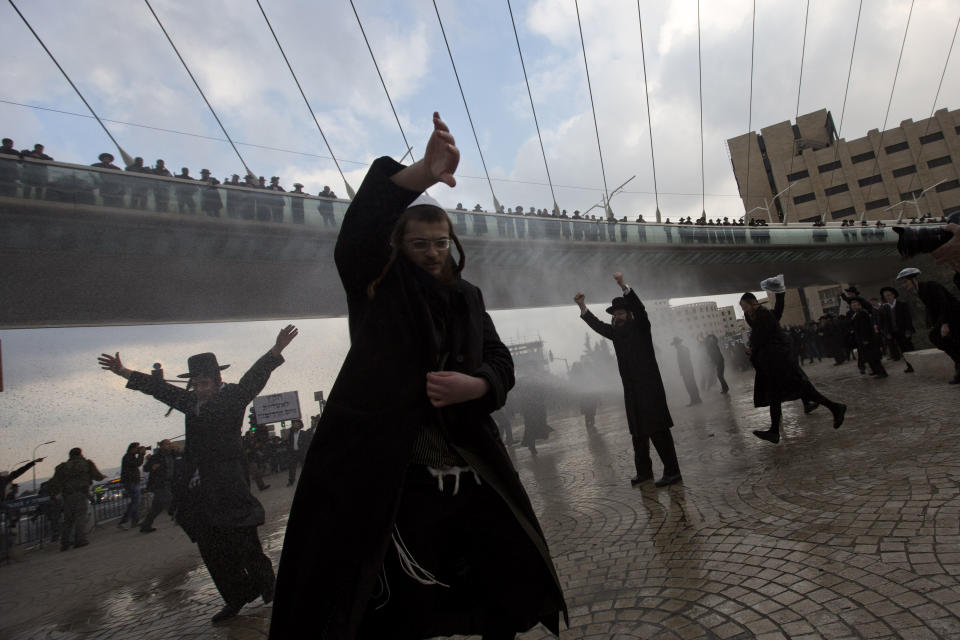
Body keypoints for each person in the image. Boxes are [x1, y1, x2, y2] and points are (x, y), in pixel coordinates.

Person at [269, 113, 566, 640]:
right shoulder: (378, 288)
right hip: (395, 477)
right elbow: (356, 238)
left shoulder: (469, 299)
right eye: (419, 244)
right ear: (400, 247)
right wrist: (420, 175)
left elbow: (500, 362)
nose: (431, 254)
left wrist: (475, 386)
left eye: (439, 243)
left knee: (498, 585)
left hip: (471, 466)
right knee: (397, 605)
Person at [97, 324, 298, 623]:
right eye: (197, 384)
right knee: (210, 546)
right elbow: (161, 389)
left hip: (230, 484)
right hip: (200, 491)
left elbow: (254, 378)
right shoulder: (191, 403)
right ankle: (236, 595)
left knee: (244, 540)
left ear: (217, 381)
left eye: (205, 383)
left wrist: (276, 350)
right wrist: (125, 372)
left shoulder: (232, 398)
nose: (201, 389)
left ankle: (270, 590)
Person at [576, 272, 682, 487]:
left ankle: (673, 472)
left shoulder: (641, 328)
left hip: (649, 389)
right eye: (615, 314)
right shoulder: (616, 333)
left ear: (629, 314)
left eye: (622, 313)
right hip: (632, 390)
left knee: (658, 430)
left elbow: (641, 310)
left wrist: (623, 285)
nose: (618, 317)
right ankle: (644, 472)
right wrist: (582, 306)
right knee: (637, 432)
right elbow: (597, 325)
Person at [742, 275, 847, 444]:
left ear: (753, 303)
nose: (744, 310)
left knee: (802, 390)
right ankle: (774, 431)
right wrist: (780, 293)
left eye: (745, 306)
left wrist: (752, 347)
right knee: (778, 395)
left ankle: (836, 408)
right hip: (774, 362)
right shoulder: (759, 316)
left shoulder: (763, 315)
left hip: (779, 361)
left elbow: (762, 335)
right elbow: (777, 313)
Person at [896, 267, 960, 384]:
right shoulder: (920, 292)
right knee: (935, 337)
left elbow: (944, 303)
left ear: (914, 279)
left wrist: (945, 324)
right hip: (946, 318)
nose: (904, 286)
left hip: (954, 316)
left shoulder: (931, 286)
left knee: (939, 337)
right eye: (902, 283)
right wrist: (932, 324)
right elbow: (932, 310)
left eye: (905, 282)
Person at [49, 448, 104, 551]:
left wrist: (53, 495)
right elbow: (97, 476)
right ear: (80, 453)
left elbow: (54, 483)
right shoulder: (86, 464)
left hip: (67, 495)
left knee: (68, 520)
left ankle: (65, 543)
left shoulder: (63, 467)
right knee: (80, 518)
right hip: (81, 493)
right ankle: (80, 540)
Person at [140, 439, 175, 533]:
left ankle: (145, 525)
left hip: (168, 483)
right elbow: (146, 468)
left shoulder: (172, 455)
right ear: (162, 446)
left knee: (157, 507)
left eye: (170, 444)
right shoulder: (156, 457)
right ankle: (178, 517)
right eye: (167, 444)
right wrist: (152, 467)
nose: (169, 445)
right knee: (170, 500)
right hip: (159, 484)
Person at [848, 297, 887, 378]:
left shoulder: (862, 313)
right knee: (869, 357)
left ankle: (881, 372)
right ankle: (875, 371)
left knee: (873, 356)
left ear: (859, 305)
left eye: (856, 305)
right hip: (863, 339)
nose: (854, 306)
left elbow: (864, 328)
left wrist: (865, 339)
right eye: (852, 305)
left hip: (867, 339)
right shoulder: (857, 314)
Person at [879, 286, 915, 373]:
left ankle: (914, 364)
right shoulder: (885, 308)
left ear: (893, 295)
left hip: (904, 331)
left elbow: (908, 318)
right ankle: (909, 366)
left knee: (909, 348)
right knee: (902, 349)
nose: (888, 297)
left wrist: (908, 330)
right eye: (886, 296)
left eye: (889, 295)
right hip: (894, 332)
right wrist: (887, 332)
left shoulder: (902, 304)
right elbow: (885, 322)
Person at [117, 442, 147, 530]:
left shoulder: (130, 456)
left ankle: (135, 521)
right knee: (135, 502)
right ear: (132, 449)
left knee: (136, 502)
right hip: (130, 482)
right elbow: (137, 464)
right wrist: (141, 455)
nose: (138, 450)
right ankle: (124, 521)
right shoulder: (128, 457)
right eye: (137, 448)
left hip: (133, 481)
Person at [671, 337, 702, 405]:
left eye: (675, 344)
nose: (675, 346)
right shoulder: (683, 349)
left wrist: (684, 371)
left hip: (687, 370)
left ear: (678, 343)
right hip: (688, 369)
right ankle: (697, 399)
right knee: (692, 384)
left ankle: (694, 400)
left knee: (689, 385)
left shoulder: (682, 349)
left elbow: (685, 361)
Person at [285, 419, 310, 487]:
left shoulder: (304, 433)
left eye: (296, 424)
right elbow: (288, 443)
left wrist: (304, 450)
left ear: (300, 425)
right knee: (292, 467)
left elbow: (307, 443)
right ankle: (291, 481)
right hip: (294, 453)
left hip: (301, 452)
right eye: (294, 424)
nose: (295, 425)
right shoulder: (291, 434)